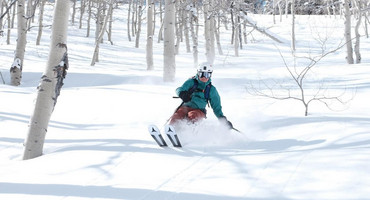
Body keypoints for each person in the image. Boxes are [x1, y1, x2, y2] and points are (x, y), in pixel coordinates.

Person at [169, 62, 233, 129]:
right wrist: (182, 94)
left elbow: (216, 107)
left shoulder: (211, 89)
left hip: (198, 111)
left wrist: (223, 120)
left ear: (210, 75)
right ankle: (171, 130)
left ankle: (189, 134)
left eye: (207, 75)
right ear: (198, 73)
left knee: (193, 116)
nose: (204, 77)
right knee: (178, 114)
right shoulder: (191, 82)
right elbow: (179, 89)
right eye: (202, 74)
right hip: (185, 107)